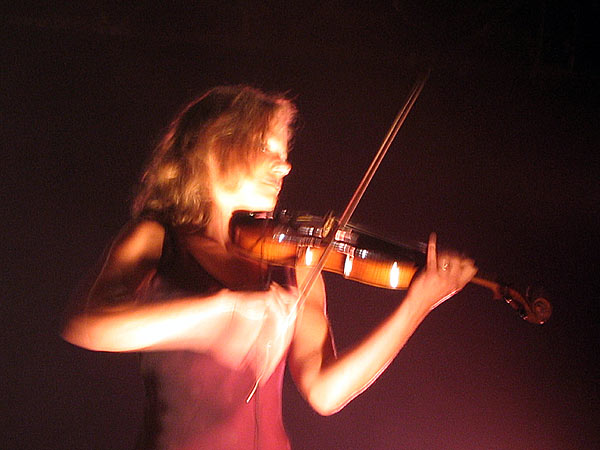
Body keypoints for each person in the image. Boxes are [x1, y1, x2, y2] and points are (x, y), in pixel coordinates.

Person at [61, 85, 477, 449]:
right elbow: (87, 324)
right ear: (215, 147)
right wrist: (216, 313)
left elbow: (326, 392)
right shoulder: (159, 240)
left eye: (285, 154)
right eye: (267, 150)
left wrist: (417, 305)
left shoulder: (296, 262)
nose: (285, 166)